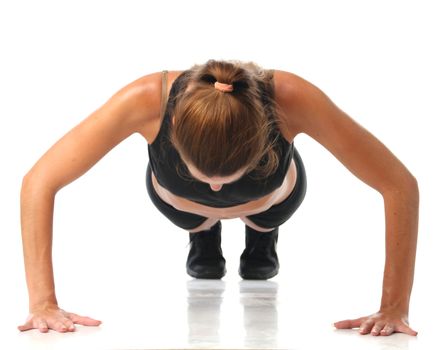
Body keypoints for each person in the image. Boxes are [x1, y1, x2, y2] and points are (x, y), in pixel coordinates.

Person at [18, 60, 419, 336]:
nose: (215, 188)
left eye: (229, 177)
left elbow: (398, 184)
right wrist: (43, 302)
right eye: (203, 175)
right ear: (173, 125)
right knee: (197, 228)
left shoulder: (292, 99)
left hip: (271, 198)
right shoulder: (146, 100)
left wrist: (394, 307)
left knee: (261, 236)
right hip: (177, 203)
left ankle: (263, 231)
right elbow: (40, 181)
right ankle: (201, 231)